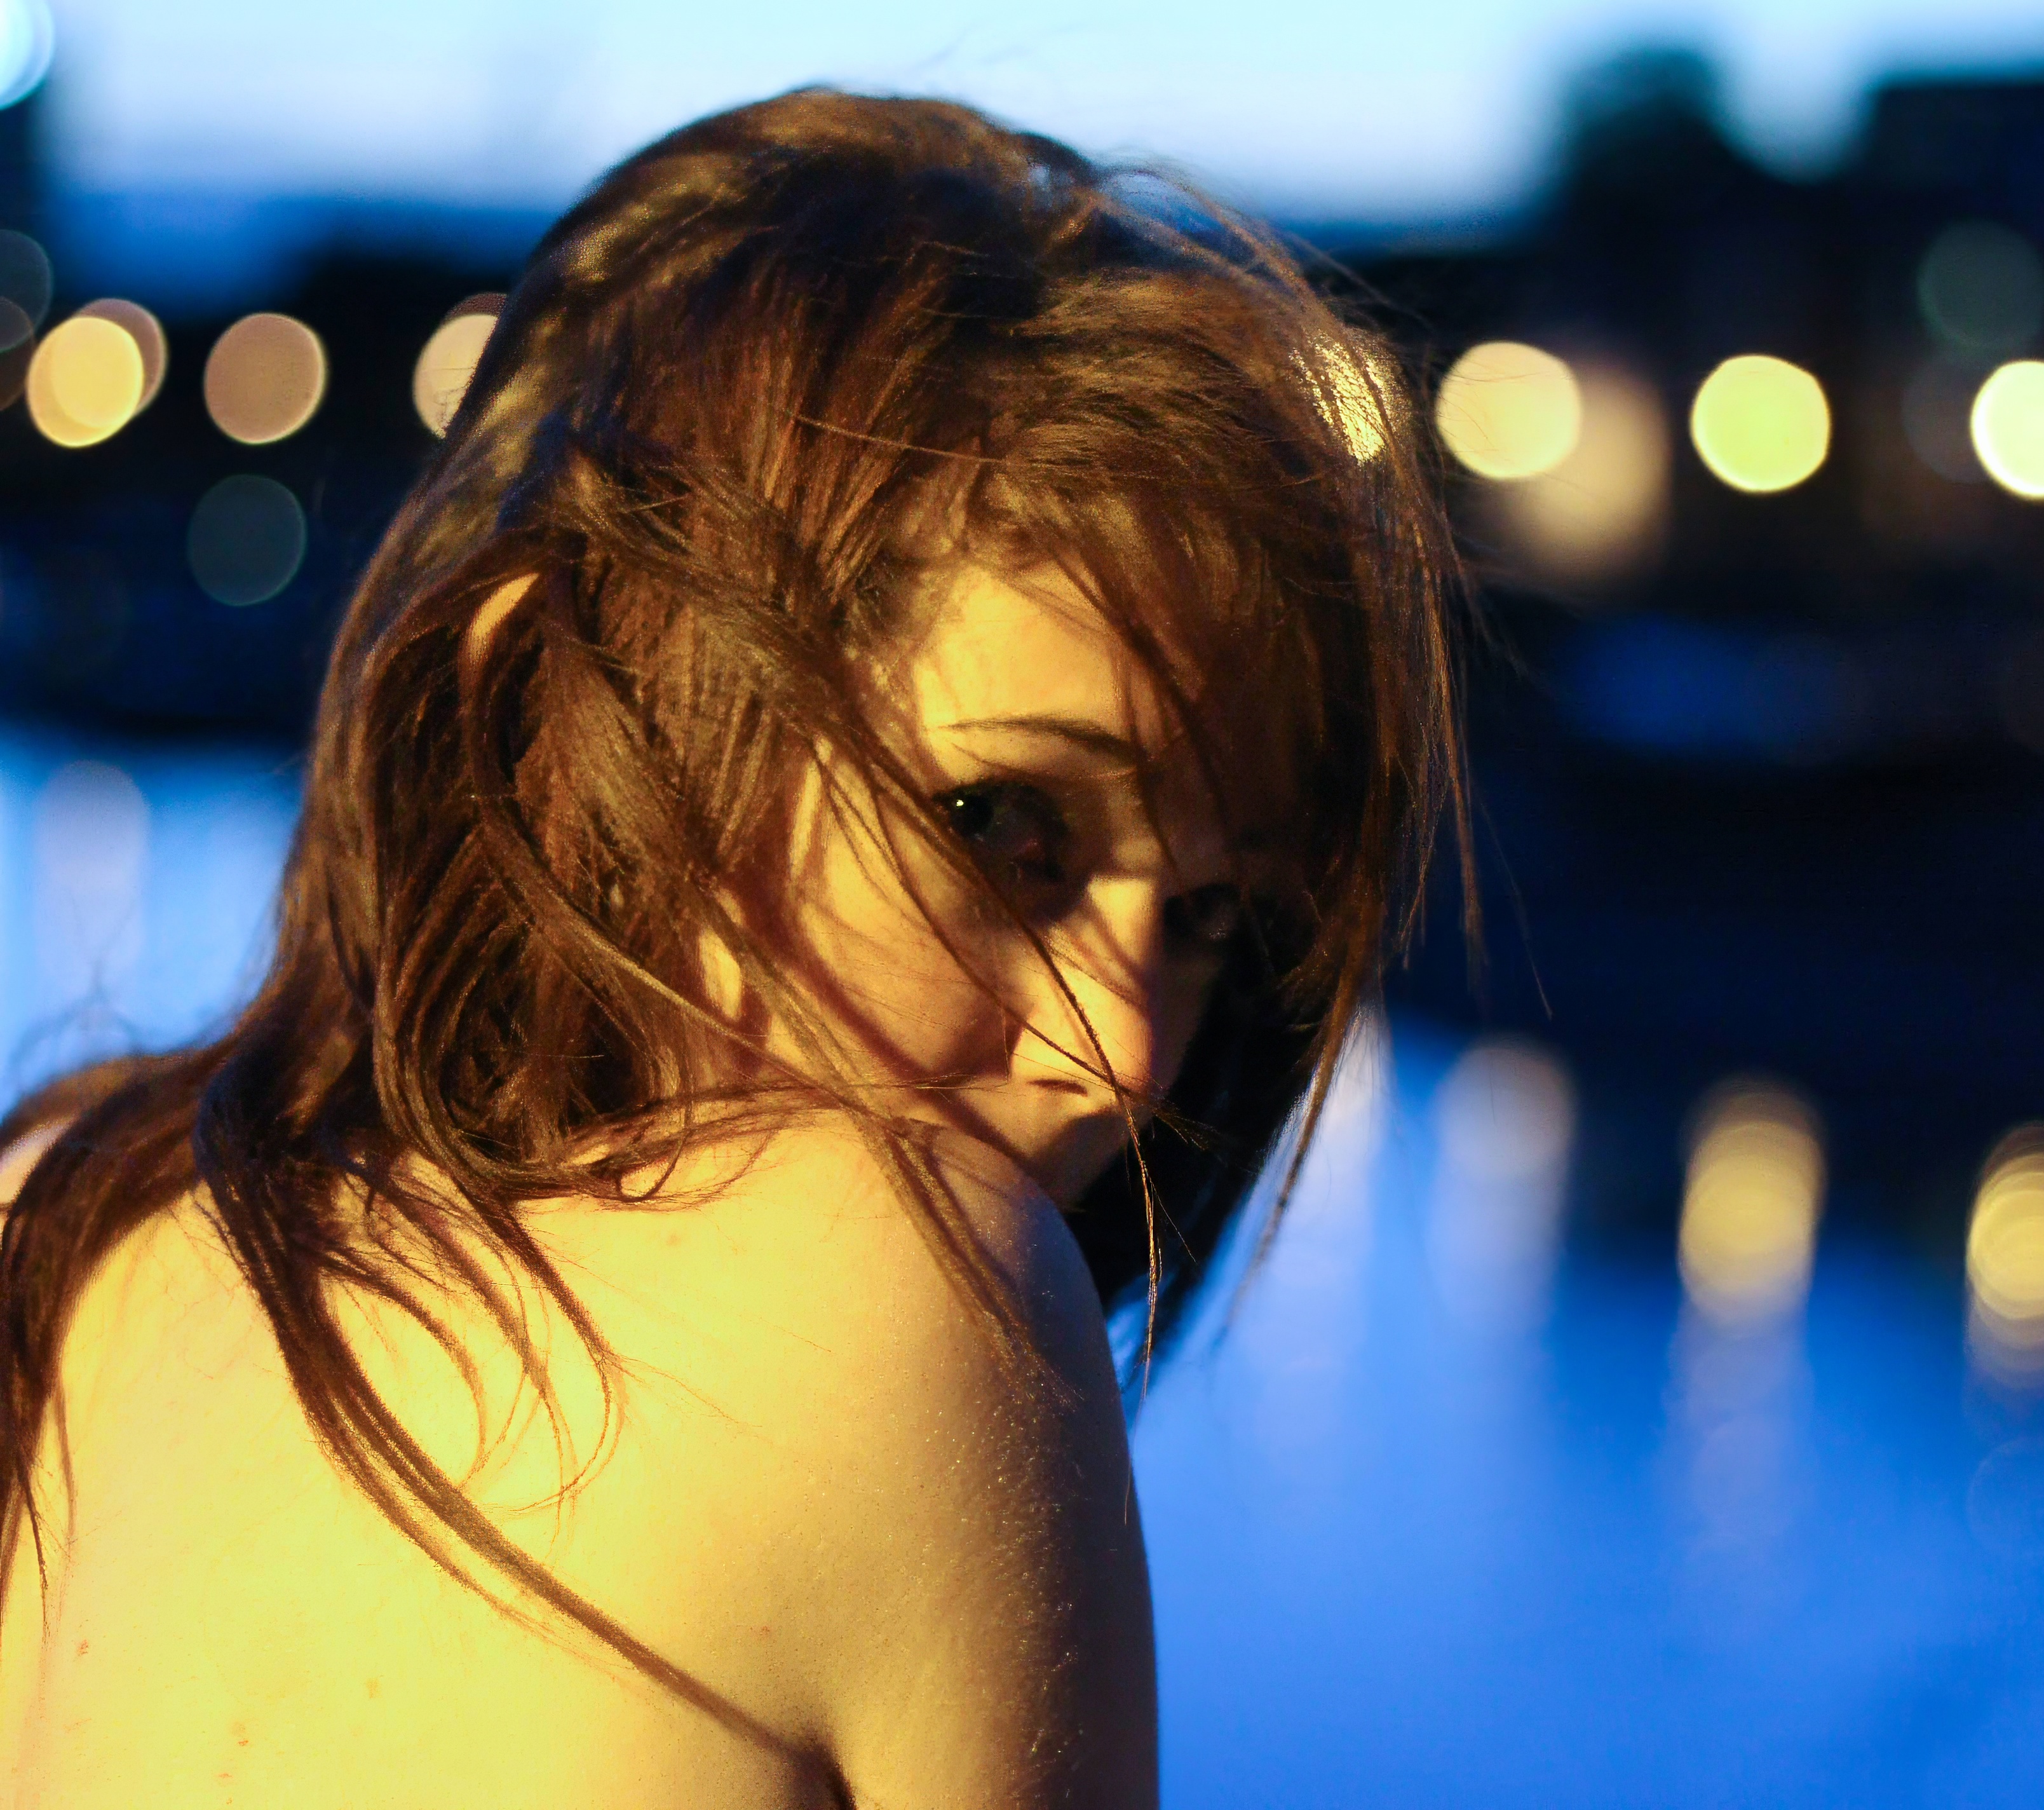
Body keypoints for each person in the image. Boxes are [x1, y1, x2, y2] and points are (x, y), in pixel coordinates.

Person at [0, 91, 1462, 1807]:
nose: (1132, 1056)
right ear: (570, 709)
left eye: (1215, 915)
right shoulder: (910, 1297)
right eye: (1003, 830)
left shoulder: (70, 1211)